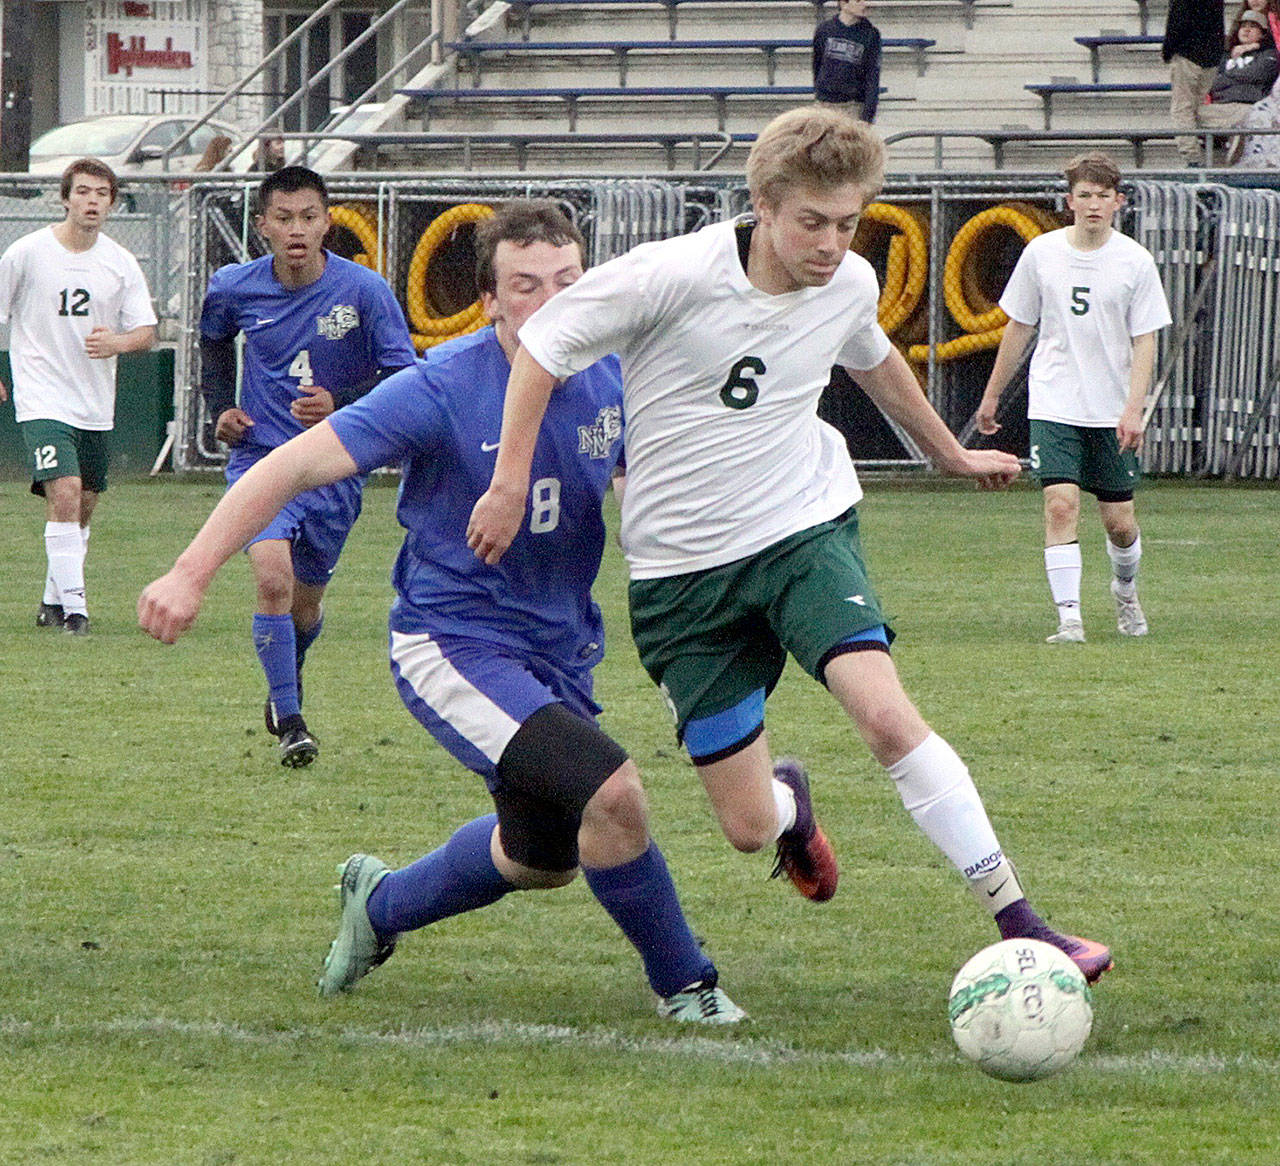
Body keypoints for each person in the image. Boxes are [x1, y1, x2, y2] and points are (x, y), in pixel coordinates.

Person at [467, 107, 1113, 985]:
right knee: (746, 828)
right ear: (763, 205)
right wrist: (508, 482)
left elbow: (872, 357)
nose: (831, 244)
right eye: (812, 221)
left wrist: (949, 453)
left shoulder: (846, 280)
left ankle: (1023, 921)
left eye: (848, 224)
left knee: (886, 716)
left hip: (802, 528)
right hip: (682, 575)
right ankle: (789, 805)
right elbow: (541, 348)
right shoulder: (669, 274)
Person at [138, 199, 745, 1024]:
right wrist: (189, 571)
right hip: (453, 643)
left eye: (567, 281)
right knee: (615, 795)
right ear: (489, 302)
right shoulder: (441, 387)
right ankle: (689, 985)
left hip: (560, 650)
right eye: (525, 285)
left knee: (543, 856)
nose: (551, 300)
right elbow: (284, 470)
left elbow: (649, 501)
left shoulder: (614, 373)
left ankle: (378, 905)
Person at [198, 165, 417, 766]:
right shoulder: (234, 287)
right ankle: (293, 721)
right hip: (261, 461)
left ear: (327, 221)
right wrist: (222, 408)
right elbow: (212, 341)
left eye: (309, 217)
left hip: (333, 469)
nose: (297, 230)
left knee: (306, 604)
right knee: (272, 576)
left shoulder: (365, 291)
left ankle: (285, 677)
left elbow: (402, 375)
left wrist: (340, 404)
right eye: (284, 218)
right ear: (263, 225)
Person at [976, 152, 1172, 644]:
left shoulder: (1134, 261)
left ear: (1117, 202)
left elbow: (1145, 339)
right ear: (1070, 201)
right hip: (1054, 400)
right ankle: (1070, 620)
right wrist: (993, 394)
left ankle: (1125, 591)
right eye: (1084, 195)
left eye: (1102, 196)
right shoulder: (1042, 254)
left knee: (1120, 523)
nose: (1093, 205)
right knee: (1060, 505)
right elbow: (1020, 326)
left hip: (1110, 408)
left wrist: (1134, 408)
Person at [0, 158, 157, 636]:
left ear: (112, 202)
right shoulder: (27, 253)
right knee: (64, 491)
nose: (92, 201)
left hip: (93, 400)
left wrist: (117, 343)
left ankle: (51, 601)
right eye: (83, 191)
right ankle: (76, 612)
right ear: (65, 198)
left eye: (102, 193)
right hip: (42, 395)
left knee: (83, 503)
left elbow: (147, 331)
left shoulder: (119, 262)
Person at [1198, 10, 1279, 159]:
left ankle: (1234, 148)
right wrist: (1239, 78)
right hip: (1220, 108)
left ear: (1262, 34)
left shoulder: (1269, 55)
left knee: (1251, 117)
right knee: (1189, 115)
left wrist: (1227, 77)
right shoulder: (1223, 56)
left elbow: (1258, 74)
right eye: (1244, 26)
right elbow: (1212, 83)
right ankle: (1197, 162)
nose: (1246, 30)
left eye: (1253, 27)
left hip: (1249, 108)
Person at [1162, 0, 1226, 165]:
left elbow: (1177, 22)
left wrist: (1167, 51)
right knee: (1197, 107)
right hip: (1210, 57)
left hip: (1188, 54)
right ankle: (1214, 141)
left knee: (1182, 109)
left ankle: (1192, 158)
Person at [812, 0, 882, 122]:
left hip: (853, 105)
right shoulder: (824, 30)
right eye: (859, 1)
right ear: (844, 4)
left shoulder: (871, 34)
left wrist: (868, 115)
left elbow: (872, 75)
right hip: (825, 104)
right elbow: (817, 64)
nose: (865, 4)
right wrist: (820, 93)